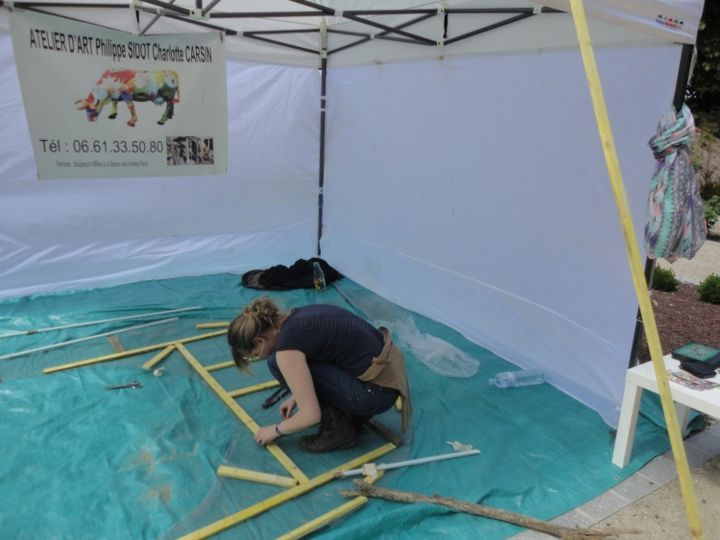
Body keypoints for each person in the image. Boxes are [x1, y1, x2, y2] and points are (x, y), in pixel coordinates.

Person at [228, 297, 412, 452]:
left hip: (375, 394)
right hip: (388, 380)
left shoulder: (286, 349)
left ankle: (338, 431)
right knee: (281, 362)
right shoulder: (296, 317)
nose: (259, 357)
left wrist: (275, 430)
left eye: (255, 354)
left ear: (259, 341)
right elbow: (326, 353)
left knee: (275, 362)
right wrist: (297, 395)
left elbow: (310, 416)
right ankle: (350, 415)